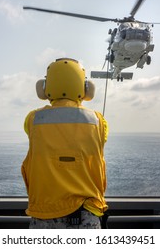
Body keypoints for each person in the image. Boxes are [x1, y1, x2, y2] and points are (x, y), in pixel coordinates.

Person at [21, 57, 108, 229]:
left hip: (45, 215)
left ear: (45, 89)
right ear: (85, 88)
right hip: (87, 215)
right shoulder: (98, 121)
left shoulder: (33, 119)